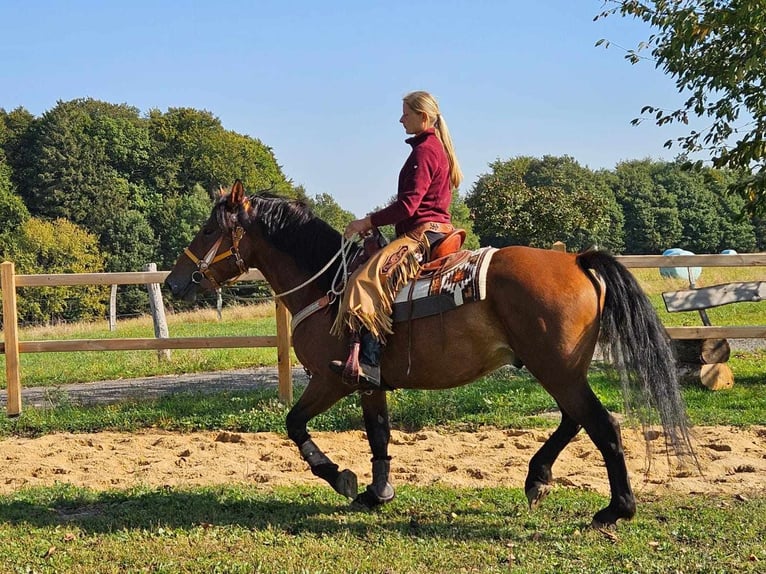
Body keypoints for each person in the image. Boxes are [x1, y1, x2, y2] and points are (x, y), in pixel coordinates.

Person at [330, 90, 463, 387]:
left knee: (364, 280)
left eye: (406, 113)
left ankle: (369, 363)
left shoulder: (425, 151)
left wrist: (367, 221)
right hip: (433, 230)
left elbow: (408, 206)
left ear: (423, 117)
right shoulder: (432, 148)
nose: (400, 118)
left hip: (422, 234)